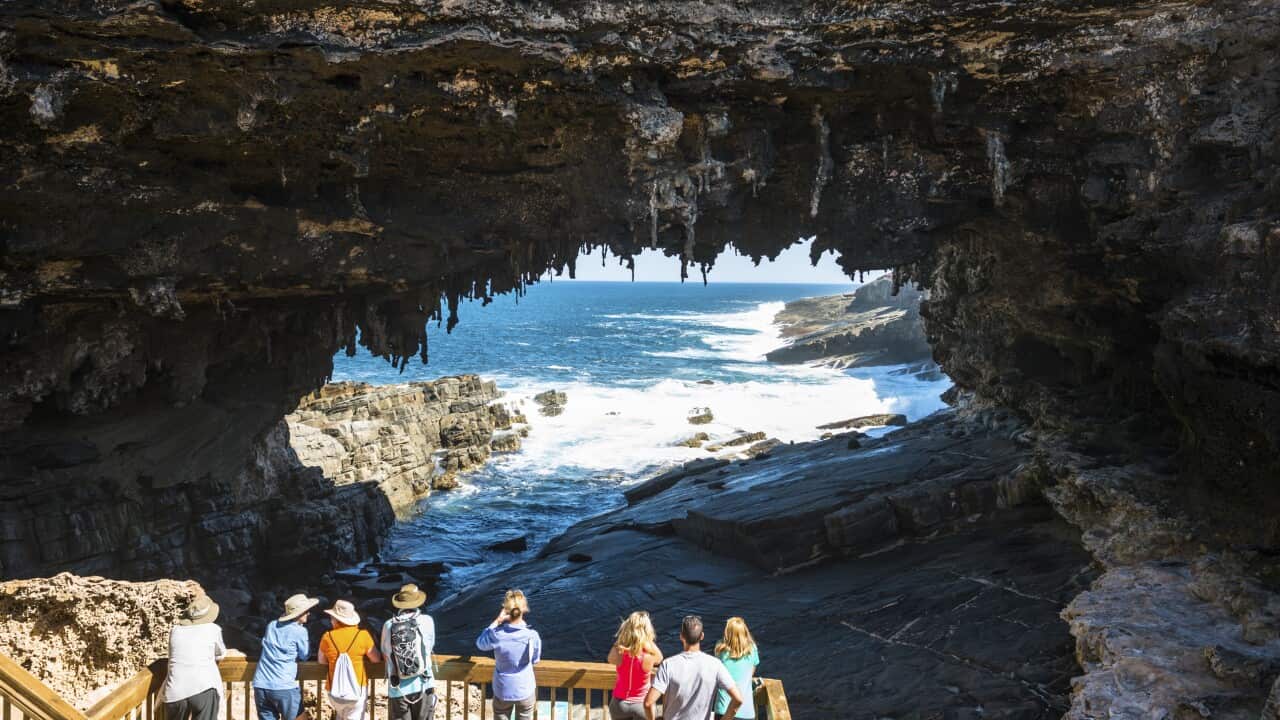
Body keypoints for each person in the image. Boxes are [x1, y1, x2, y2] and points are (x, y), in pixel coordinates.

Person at [645, 616, 742, 720]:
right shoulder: (715, 665)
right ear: (702, 636)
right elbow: (738, 699)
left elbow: (648, 703)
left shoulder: (668, 665)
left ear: (681, 636)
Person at [475, 590, 542, 720]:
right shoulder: (532, 635)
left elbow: (480, 643)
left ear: (506, 610)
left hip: (503, 689)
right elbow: (535, 660)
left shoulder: (497, 635)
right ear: (524, 609)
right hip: (525, 689)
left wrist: (497, 621)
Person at [254, 594, 319, 720]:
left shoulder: (272, 625)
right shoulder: (300, 631)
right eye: (306, 611)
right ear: (298, 614)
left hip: (261, 684)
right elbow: (305, 655)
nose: (309, 613)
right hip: (284, 685)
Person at [162, 593, 227, 720]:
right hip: (203, 687)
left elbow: (171, 655)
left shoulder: (175, 630)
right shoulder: (213, 629)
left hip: (175, 690)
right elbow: (221, 654)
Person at [380, 584, 438, 720]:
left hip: (398, 688)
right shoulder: (427, 621)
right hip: (424, 683)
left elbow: (385, 652)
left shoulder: (389, 625)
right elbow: (430, 646)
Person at [318, 600, 381, 720]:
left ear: (337, 620)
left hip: (334, 690)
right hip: (357, 689)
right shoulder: (363, 635)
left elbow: (321, 661)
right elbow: (376, 659)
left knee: (340, 716)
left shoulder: (327, 637)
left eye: (332, 618)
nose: (330, 620)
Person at [607, 611, 664, 720]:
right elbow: (660, 658)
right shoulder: (649, 656)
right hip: (641, 705)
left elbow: (610, 659)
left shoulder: (620, 652)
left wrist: (623, 638)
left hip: (619, 704)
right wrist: (647, 639)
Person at [713, 618, 759, 719]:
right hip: (746, 711)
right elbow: (751, 671)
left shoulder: (720, 649)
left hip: (723, 709)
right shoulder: (752, 650)